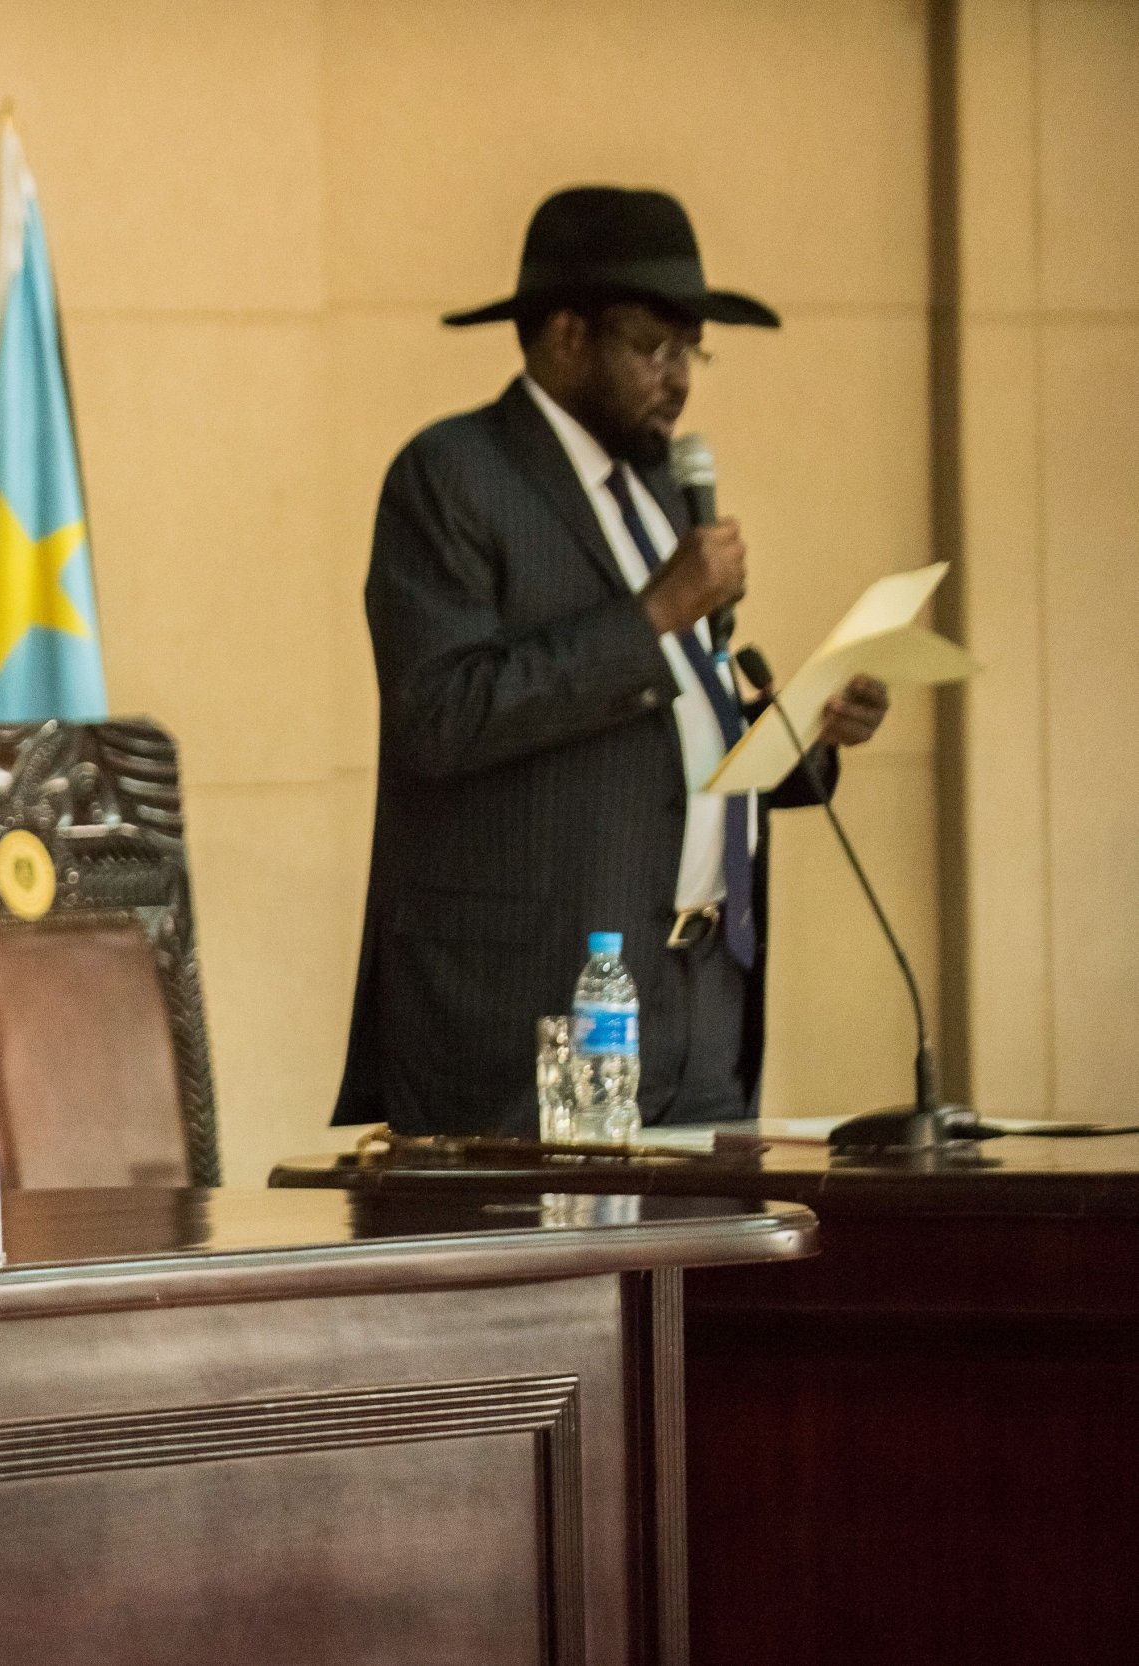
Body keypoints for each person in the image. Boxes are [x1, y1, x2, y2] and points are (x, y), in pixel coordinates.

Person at [334, 186, 890, 1135]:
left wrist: (800, 733)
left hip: (696, 1008)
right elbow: (441, 714)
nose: (680, 379)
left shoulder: (658, 494)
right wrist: (655, 615)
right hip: (526, 1018)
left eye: (692, 351)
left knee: (693, 1284)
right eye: (653, 347)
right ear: (564, 338)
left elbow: (668, 728)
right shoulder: (452, 477)